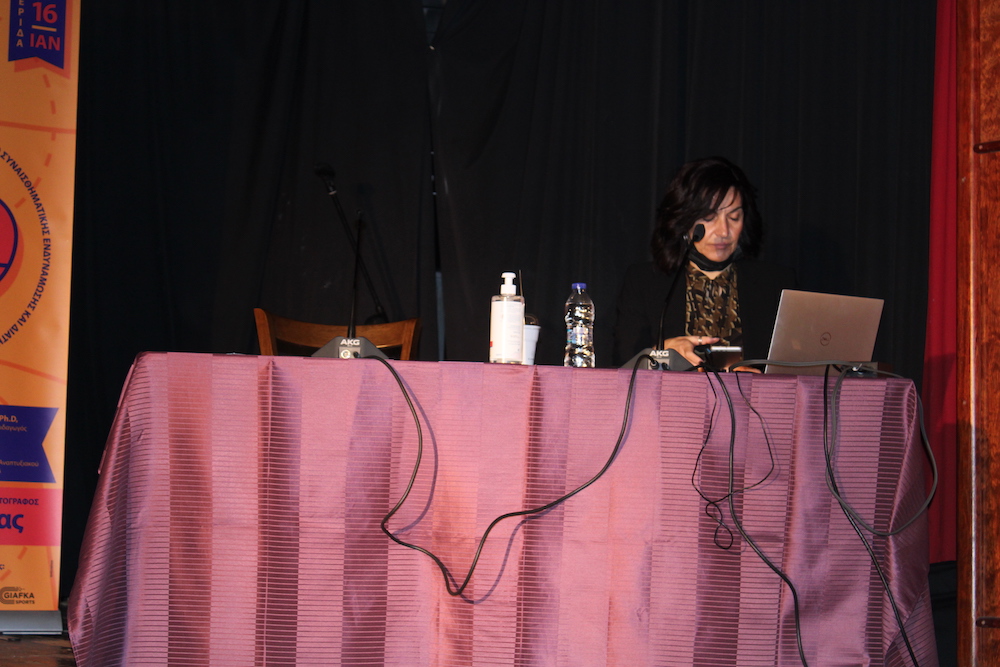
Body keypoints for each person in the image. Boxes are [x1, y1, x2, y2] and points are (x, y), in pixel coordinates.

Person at [613, 156, 796, 368]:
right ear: (684, 220)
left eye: (734, 218)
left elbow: (799, 367)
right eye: (709, 217)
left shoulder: (776, 284)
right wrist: (661, 353)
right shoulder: (644, 282)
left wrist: (761, 381)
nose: (724, 231)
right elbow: (622, 365)